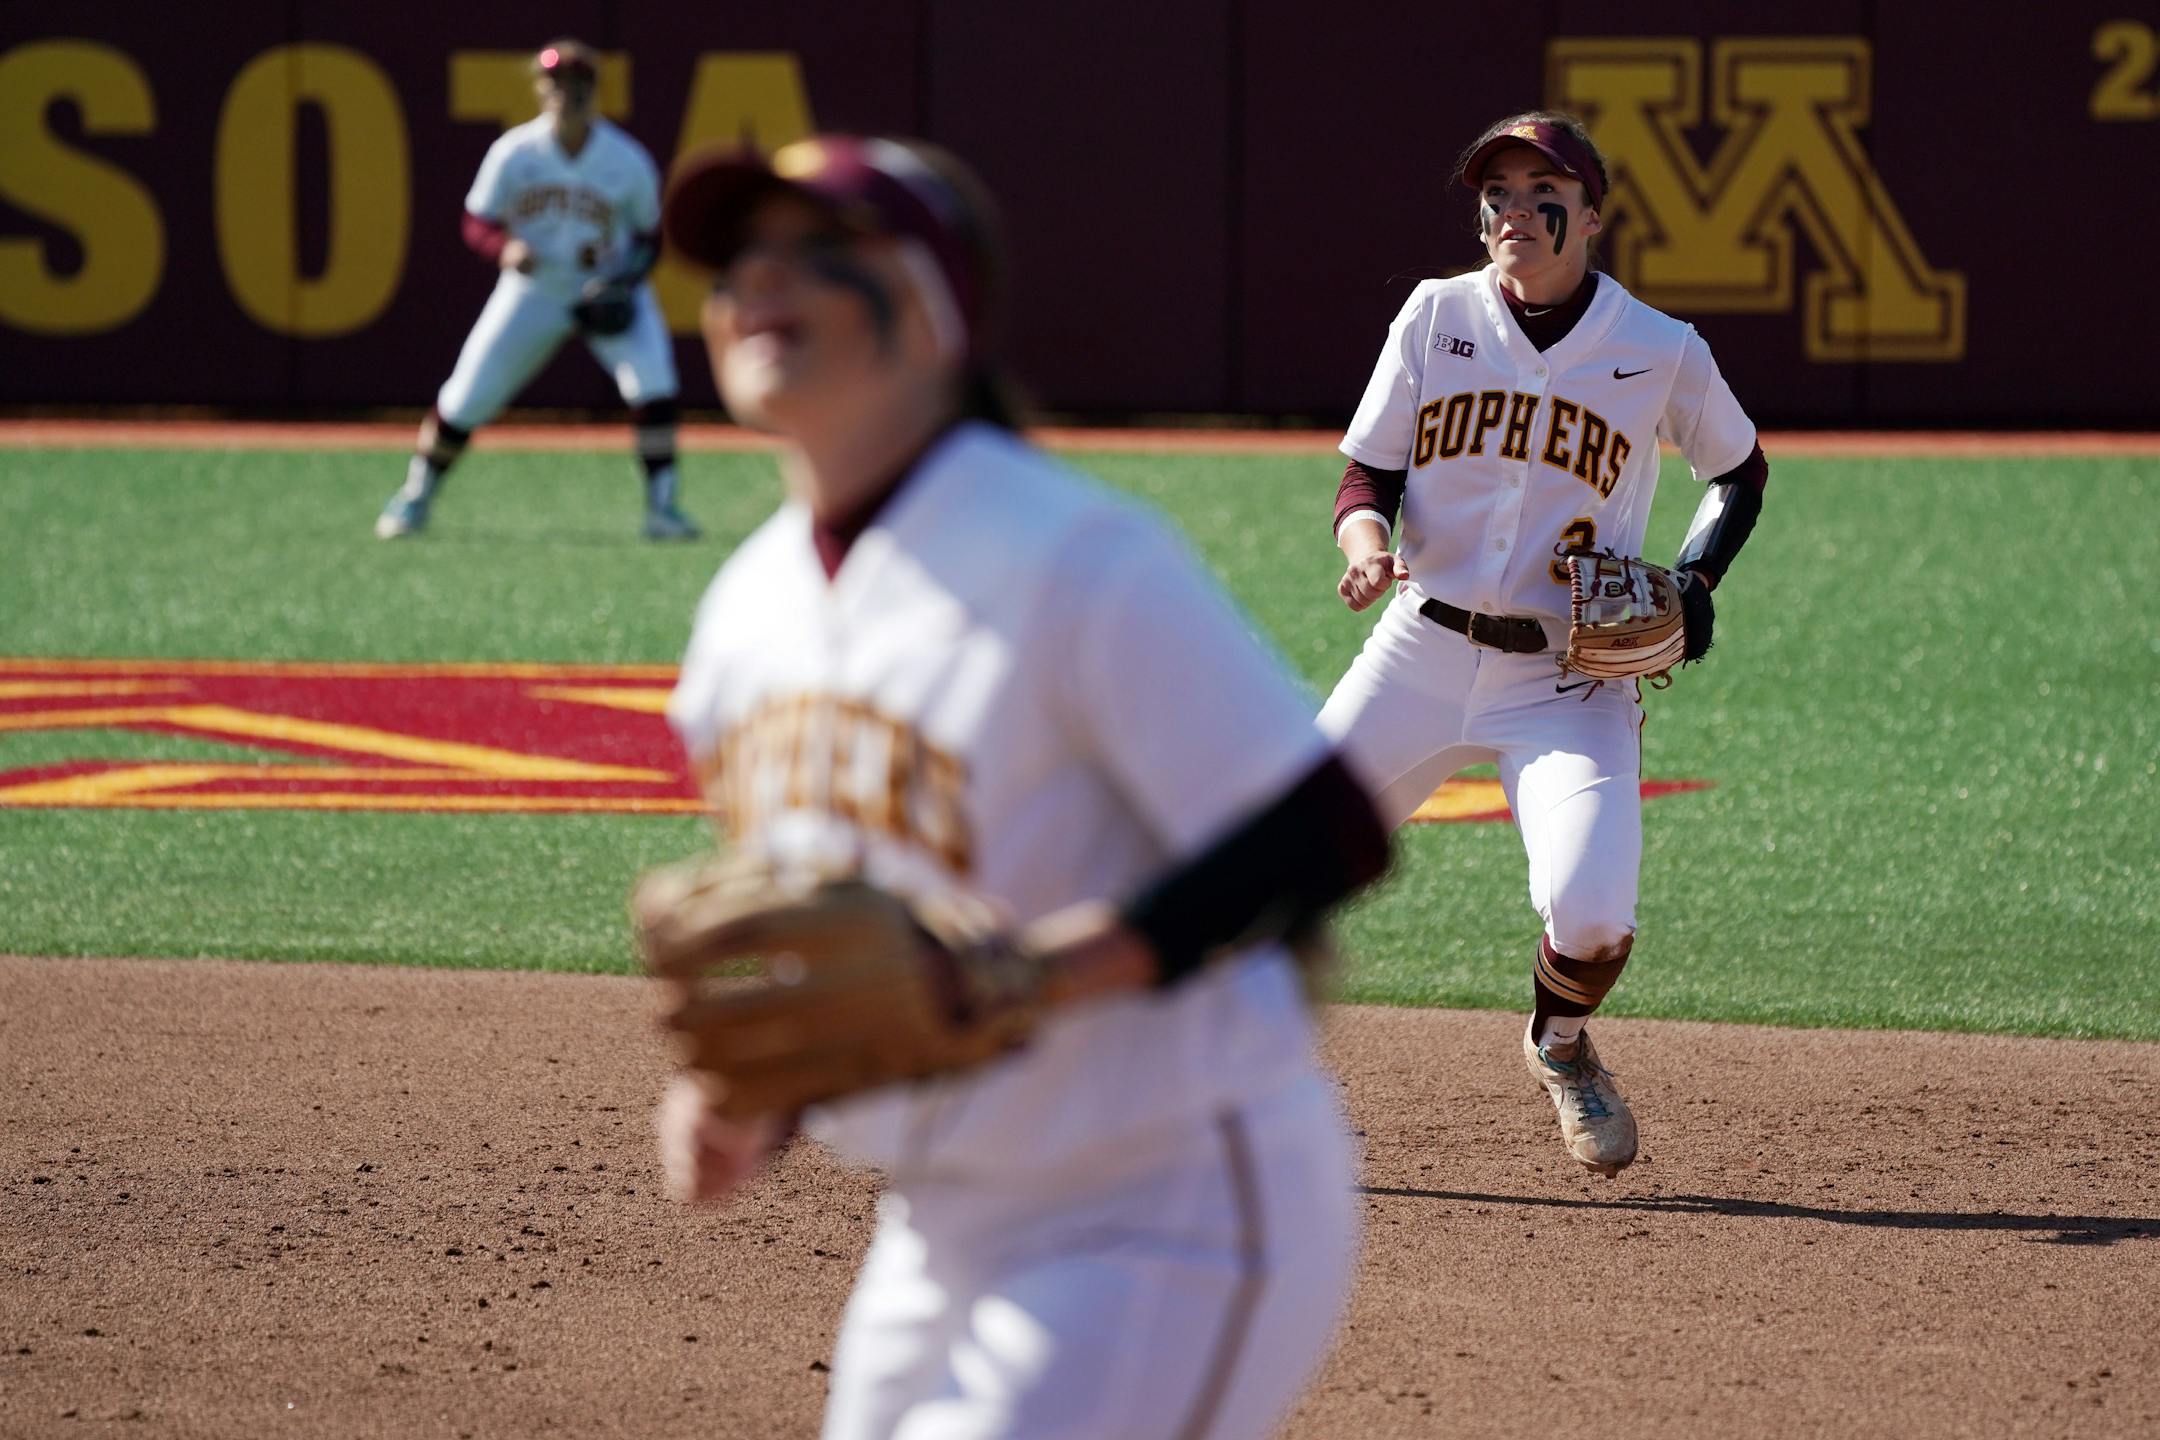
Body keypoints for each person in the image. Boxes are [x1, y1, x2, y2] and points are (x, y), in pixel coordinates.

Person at [651, 134, 1391, 1439]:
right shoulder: (742, 622)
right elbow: (850, 946)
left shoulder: (1073, 557)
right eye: (740, 260)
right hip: (937, 1222)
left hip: (1162, 1204)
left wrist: (1030, 975)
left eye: (819, 256)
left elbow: (1323, 837)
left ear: (934, 312)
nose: (760, 285)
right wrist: (759, 1099)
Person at [1318, 112, 1767, 1178]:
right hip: (1418, 650)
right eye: (1497, 193)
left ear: (1592, 217)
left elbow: (1739, 470)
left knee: (1595, 915)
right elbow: (1366, 474)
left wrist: (1696, 582)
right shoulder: (1436, 316)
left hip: (1568, 677)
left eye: (1539, 191)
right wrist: (1368, 543)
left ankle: (1559, 1045)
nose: (1513, 210)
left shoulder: (1658, 349)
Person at [376, 39, 697, 541]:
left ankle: (663, 509)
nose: (567, 93)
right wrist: (502, 248)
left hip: (605, 285)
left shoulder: (625, 159)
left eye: (579, 84)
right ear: (540, 89)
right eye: (557, 83)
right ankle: (415, 495)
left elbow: (651, 237)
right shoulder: (515, 153)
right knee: (467, 396)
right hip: (535, 287)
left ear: (594, 91)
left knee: (653, 383)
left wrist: (624, 282)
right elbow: (476, 220)